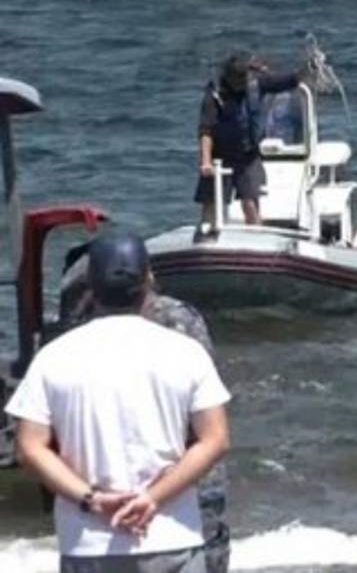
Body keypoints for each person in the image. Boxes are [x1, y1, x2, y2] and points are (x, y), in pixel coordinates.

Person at [5, 232, 231, 573]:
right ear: (149, 280)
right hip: (171, 535)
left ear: (91, 287)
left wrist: (92, 499)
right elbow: (215, 439)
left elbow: (30, 449)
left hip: (87, 544)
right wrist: (151, 498)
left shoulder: (53, 357)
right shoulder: (185, 352)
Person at [195, 52, 302, 227]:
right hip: (219, 156)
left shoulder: (256, 85)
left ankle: (256, 236)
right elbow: (206, 131)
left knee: (250, 202)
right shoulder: (214, 95)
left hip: (247, 155)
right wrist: (206, 161)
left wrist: (305, 72)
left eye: (242, 79)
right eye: (236, 80)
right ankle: (207, 235)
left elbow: (287, 80)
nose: (239, 84)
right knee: (211, 203)